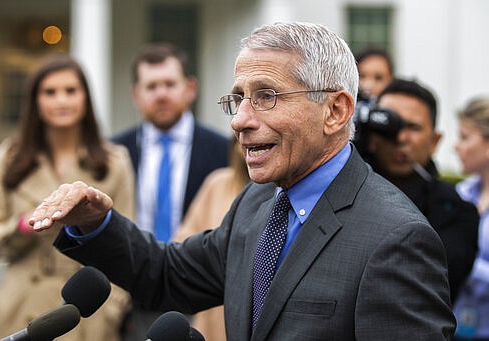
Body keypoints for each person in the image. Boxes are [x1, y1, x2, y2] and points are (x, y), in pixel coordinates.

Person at [30, 22, 455, 340]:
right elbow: (167, 275)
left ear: (336, 111)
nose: (240, 120)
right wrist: (97, 223)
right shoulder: (258, 202)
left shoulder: (396, 239)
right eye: (237, 99)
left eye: (266, 97)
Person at [0, 54, 135, 341]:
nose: (61, 100)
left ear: (85, 98)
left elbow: (127, 243)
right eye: (50, 92)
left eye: (71, 90)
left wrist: (113, 307)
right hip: (22, 307)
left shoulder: (114, 161)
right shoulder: (11, 157)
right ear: (35, 101)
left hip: (88, 311)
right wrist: (24, 226)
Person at [111, 43, 229, 340]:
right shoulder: (114, 153)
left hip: (202, 295)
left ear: (190, 88)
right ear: (136, 94)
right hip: (133, 297)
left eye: (169, 84)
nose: (161, 94)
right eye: (151, 86)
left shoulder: (224, 151)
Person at [362, 78, 479, 302]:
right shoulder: (343, 193)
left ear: (435, 141)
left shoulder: (457, 211)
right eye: (390, 124)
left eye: (412, 127)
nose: (400, 138)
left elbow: (434, 284)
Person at [171, 137, 249, 341]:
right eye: (238, 139)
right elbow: (183, 241)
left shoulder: (279, 191)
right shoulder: (217, 183)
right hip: (213, 314)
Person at [453, 97, 489, 340]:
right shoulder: (461, 193)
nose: (456, 146)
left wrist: (463, 264)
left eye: (465, 137)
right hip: (457, 328)